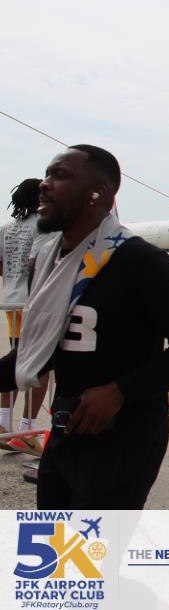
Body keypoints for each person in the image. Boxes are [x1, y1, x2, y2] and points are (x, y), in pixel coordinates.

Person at [0, 145, 169, 508]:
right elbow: (36, 352)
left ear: (96, 194)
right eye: (47, 174)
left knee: (91, 546)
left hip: (123, 444)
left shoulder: (139, 261)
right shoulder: (52, 262)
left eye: (59, 175)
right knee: (48, 543)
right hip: (65, 434)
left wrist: (120, 391)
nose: (44, 184)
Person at [0, 178, 52, 453]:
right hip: (35, 303)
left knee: (15, 362)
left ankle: (3, 423)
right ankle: (27, 430)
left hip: (11, 302)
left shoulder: (7, 228)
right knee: (41, 367)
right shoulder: (44, 225)